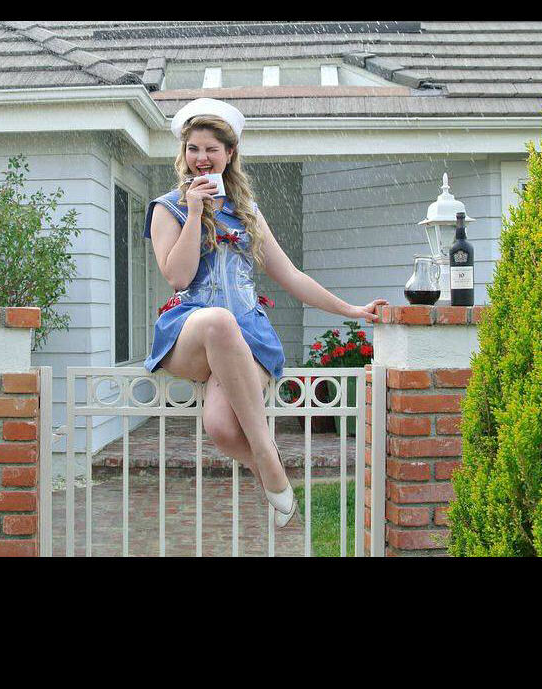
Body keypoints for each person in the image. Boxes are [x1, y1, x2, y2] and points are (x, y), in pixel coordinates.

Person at [143, 98, 387, 527]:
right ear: (183, 154)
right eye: (193, 148)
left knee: (221, 426)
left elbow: (290, 275)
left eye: (211, 149)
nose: (201, 158)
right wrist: (195, 212)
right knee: (218, 321)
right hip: (191, 331)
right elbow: (177, 277)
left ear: (229, 153)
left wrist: (351, 309)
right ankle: (270, 461)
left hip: (247, 336)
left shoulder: (248, 212)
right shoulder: (168, 208)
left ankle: (270, 475)